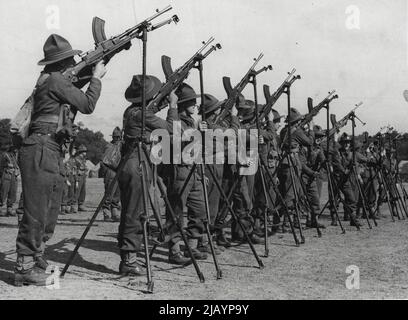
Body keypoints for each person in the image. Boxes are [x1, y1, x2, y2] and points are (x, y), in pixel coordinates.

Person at [14, 34, 106, 286]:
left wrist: (101, 59)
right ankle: (24, 266)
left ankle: (37, 254)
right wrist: (96, 77)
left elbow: (74, 87)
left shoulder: (53, 79)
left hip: (51, 147)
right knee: (36, 209)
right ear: (62, 63)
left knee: (51, 206)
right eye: (70, 60)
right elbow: (87, 105)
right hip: (42, 146)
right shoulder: (54, 80)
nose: (73, 63)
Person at [118, 75, 181, 274]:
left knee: (133, 211)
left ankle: (129, 257)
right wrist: (172, 105)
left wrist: (162, 99)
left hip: (134, 163)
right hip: (138, 164)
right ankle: (128, 260)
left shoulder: (133, 111)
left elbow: (150, 111)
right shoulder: (141, 114)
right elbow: (173, 130)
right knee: (134, 213)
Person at [101, 127, 122, 222]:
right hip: (111, 171)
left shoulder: (122, 146)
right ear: (113, 137)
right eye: (116, 137)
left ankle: (115, 213)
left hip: (120, 171)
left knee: (117, 193)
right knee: (109, 193)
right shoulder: (109, 146)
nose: (117, 139)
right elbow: (105, 160)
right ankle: (106, 213)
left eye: (119, 137)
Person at [0, 145, 19, 217]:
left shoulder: (14, 156)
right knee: (3, 192)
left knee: (13, 192)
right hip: (6, 174)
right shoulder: (4, 155)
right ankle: (1, 208)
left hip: (14, 175)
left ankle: (9, 209)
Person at [73, 144, 88, 212]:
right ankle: (74, 206)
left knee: (83, 192)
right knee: (76, 192)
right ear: (80, 152)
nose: (85, 153)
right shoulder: (76, 159)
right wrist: (76, 180)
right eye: (84, 151)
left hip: (83, 177)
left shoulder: (83, 160)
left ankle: (81, 205)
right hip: (78, 177)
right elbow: (74, 170)